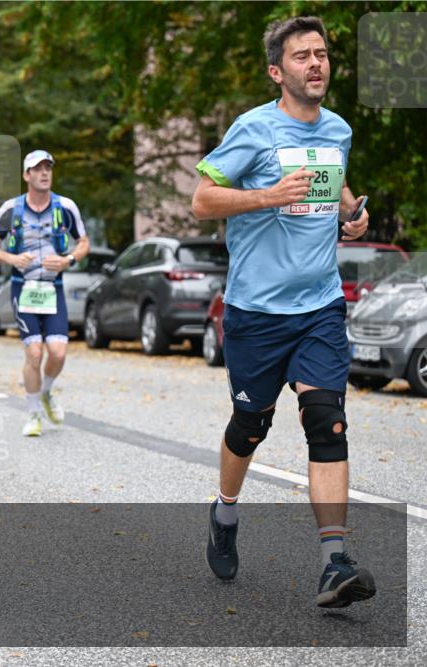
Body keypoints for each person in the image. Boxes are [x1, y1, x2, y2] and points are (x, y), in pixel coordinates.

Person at [191, 16, 374, 608]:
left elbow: (335, 176)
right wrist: (266, 196)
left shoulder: (339, 129)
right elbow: (201, 200)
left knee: (327, 420)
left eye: (321, 54)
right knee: (251, 427)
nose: (316, 63)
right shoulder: (253, 129)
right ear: (278, 71)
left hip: (319, 304)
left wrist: (351, 212)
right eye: (302, 56)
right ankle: (224, 512)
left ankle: (333, 563)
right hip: (256, 312)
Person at [0, 150, 89, 437]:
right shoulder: (11, 209)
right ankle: (33, 414)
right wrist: (12, 260)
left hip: (53, 288)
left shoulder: (66, 207)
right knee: (34, 352)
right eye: (37, 169)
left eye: (48, 168)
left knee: (58, 352)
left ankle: (46, 392)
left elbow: (83, 242)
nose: (44, 173)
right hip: (24, 288)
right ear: (26, 175)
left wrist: (69, 260)